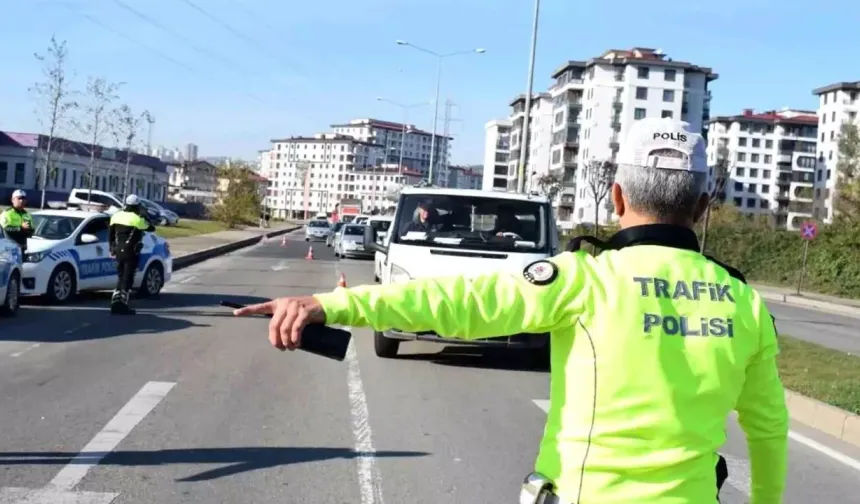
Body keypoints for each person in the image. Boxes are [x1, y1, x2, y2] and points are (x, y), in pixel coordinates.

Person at [233, 118, 788, 504]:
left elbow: (453, 300)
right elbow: (767, 430)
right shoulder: (744, 303)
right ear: (703, 205)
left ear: (616, 198)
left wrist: (330, 305)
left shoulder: (584, 280)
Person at [108, 194, 155, 315]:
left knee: (120, 275)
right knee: (128, 277)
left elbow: (111, 235)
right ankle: (123, 304)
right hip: (131, 251)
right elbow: (151, 227)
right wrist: (144, 214)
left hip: (118, 250)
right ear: (136, 206)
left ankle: (116, 300)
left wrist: (111, 248)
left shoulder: (116, 216)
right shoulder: (137, 219)